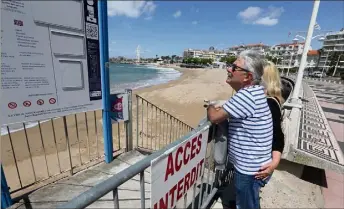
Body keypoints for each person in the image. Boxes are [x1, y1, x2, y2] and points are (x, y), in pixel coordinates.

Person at [207, 50, 273, 209]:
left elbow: (215, 117)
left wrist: (210, 105)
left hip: (249, 169)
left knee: (246, 205)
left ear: (247, 77)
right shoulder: (253, 93)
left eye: (234, 67)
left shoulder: (246, 96)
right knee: (249, 202)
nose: (229, 69)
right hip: (255, 165)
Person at [255, 61, 285, 180]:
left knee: (249, 197)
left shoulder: (269, 103)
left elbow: (277, 134)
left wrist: (274, 163)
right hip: (262, 163)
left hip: (261, 165)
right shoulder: (273, 100)